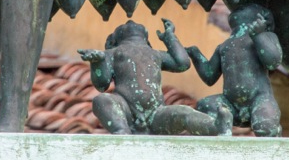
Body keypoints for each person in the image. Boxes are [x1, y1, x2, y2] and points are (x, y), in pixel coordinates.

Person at [80, 19, 229, 136]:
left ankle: (215, 126)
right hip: (126, 109)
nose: (130, 22)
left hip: (156, 113)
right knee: (101, 100)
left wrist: (170, 37)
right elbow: (101, 85)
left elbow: (182, 63)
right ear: (114, 40)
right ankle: (121, 130)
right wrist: (98, 63)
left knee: (184, 112)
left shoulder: (155, 54)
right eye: (124, 24)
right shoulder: (112, 53)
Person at [187, 5, 283, 137]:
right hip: (230, 104)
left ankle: (274, 131)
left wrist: (258, 36)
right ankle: (223, 135)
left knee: (265, 126)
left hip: (258, 99)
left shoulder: (266, 36)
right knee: (204, 106)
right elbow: (209, 76)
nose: (239, 9)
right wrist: (196, 55)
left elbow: (273, 62)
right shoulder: (224, 46)